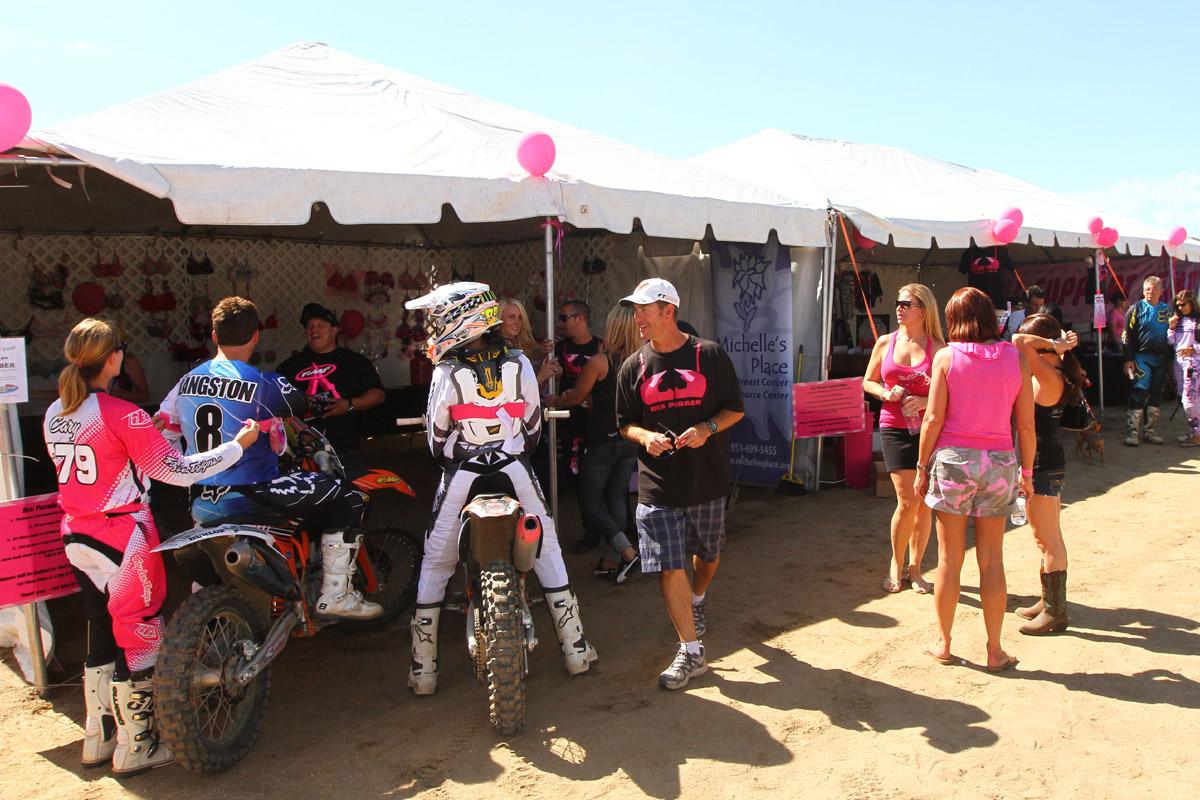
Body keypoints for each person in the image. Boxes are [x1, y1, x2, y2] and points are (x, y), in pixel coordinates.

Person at [44, 317, 258, 774]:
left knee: (102, 632)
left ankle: (99, 738)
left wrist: (149, 430)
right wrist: (237, 447)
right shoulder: (122, 413)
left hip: (77, 533)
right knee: (142, 635)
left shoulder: (55, 411)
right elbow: (175, 471)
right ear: (115, 357)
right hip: (122, 536)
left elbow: (111, 458)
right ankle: (138, 743)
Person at [405, 282, 596, 696]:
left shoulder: (445, 372)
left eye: (440, 318)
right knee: (546, 546)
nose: (434, 326)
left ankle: (423, 670)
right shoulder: (521, 363)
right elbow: (532, 428)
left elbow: (437, 441)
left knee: (437, 562)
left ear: (461, 318)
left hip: (462, 473)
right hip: (514, 468)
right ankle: (575, 647)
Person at [159, 297, 382, 621]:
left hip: (201, 499)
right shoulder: (264, 383)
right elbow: (302, 405)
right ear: (255, 336)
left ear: (214, 334)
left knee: (206, 570)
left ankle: (208, 633)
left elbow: (163, 428)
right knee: (349, 494)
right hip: (252, 494)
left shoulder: (185, 383)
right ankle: (337, 594)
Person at [615, 278, 745, 689]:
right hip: (657, 487)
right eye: (635, 310)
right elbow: (624, 425)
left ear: (667, 310)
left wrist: (708, 427)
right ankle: (691, 652)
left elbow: (735, 410)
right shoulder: (633, 366)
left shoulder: (709, 355)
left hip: (706, 479)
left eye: (644, 310)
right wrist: (644, 437)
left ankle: (699, 597)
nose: (637, 318)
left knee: (707, 556)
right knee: (669, 568)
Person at [915, 286, 1035, 672]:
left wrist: (921, 467)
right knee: (992, 560)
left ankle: (944, 642)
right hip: (1000, 461)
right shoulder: (1015, 359)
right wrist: (1027, 473)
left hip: (953, 461)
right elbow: (1026, 426)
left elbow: (932, 419)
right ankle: (994, 649)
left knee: (949, 559)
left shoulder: (947, 358)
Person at [547, 304, 641, 583]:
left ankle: (626, 552)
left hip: (601, 439)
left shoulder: (600, 361)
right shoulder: (642, 359)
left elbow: (576, 397)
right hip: (628, 437)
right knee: (616, 497)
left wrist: (558, 399)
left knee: (590, 502)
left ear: (612, 328)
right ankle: (612, 559)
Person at [862, 283, 945, 595]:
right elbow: (867, 381)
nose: (899, 308)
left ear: (922, 310)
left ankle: (916, 567)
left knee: (924, 503)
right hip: (894, 425)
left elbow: (949, 392)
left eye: (906, 303)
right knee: (907, 500)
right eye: (898, 303)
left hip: (928, 430)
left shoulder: (939, 347)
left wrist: (924, 402)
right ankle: (896, 564)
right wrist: (885, 392)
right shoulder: (885, 342)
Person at [1011, 315, 1084, 634]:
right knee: (1048, 535)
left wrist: (1054, 345)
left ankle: (1056, 612)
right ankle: (1048, 600)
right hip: (1049, 461)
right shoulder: (1054, 370)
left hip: (1041, 463)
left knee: (1048, 539)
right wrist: (1057, 345)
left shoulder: (1047, 370)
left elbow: (1017, 341)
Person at [276, 303, 385, 476]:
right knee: (309, 501)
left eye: (321, 326)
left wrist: (349, 404)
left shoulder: (354, 361)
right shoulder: (289, 366)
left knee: (352, 498)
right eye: (310, 327)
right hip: (302, 454)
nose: (314, 330)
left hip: (345, 450)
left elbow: (378, 395)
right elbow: (274, 404)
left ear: (335, 330)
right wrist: (299, 405)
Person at [554, 299, 602, 481]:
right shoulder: (559, 348)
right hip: (567, 417)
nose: (560, 323)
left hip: (593, 419)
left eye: (563, 318)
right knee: (569, 464)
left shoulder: (601, 346)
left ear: (580, 318)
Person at [1122, 276, 1172, 446]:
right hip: (1141, 357)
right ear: (1143, 290)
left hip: (1161, 359)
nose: (1151, 292)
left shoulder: (1167, 311)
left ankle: (1150, 431)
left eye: (1154, 289)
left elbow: (1174, 335)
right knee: (1139, 392)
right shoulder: (1135, 309)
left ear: (1161, 291)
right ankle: (1131, 432)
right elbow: (1126, 336)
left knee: (1157, 393)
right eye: (1148, 289)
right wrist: (1128, 359)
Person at [1169, 290, 1200, 446]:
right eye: (1178, 305)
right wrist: (1171, 327)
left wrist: (1193, 349)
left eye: (1183, 304)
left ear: (1192, 303)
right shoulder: (1178, 320)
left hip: (1193, 365)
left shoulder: (1198, 320)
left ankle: (1197, 435)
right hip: (1179, 364)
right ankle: (1195, 431)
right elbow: (1170, 341)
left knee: (1190, 400)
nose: (1180, 307)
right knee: (1183, 398)